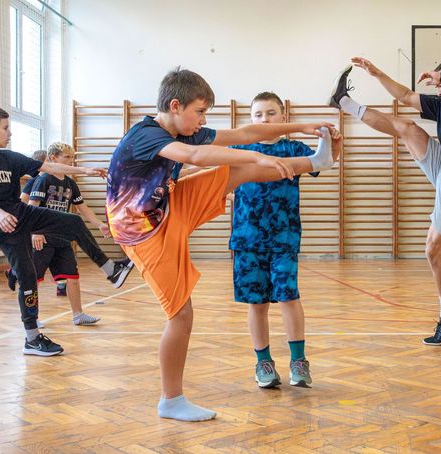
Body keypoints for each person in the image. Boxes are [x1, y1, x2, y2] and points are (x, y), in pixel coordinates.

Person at [106, 67, 338, 421]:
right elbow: (196, 157)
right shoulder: (147, 135)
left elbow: (246, 132)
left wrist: (299, 127)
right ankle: (171, 400)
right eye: (199, 112)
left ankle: (315, 161)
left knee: (234, 172)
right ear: (175, 105)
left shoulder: (181, 128)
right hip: (143, 231)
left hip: (166, 205)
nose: (203, 121)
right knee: (181, 315)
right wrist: (256, 156)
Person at [329, 58, 441, 346]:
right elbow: (405, 96)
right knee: (405, 127)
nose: (438, 92)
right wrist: (377, 72)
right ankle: (342, 101)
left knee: (433, 250)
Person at [0, 107, 133, 356]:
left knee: (72, 223)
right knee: (28, 278)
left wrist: (85, 171)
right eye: (5, 128)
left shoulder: (10, 157)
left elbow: (50, 167)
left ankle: (111, 270)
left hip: (23, 215)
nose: (10, 132)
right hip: (3, 228)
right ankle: (32, 338)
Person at [229, 91, 342, 389]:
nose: (264, 119)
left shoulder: (293, 147)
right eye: (258, 115)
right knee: (257, 304)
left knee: (289, 297)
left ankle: (298, 361)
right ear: (250, 119)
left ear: (283, 117)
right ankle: (263, 362)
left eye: (270, 113)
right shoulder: (239, 147)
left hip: (284, 237)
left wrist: (334, 143)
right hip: (246, 238)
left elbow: (323, 161)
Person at [27, 141, 111, 325]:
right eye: (66, 157)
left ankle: (78, 314)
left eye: (72, 158)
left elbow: (82, 208)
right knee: (34, 280)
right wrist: (35, 232)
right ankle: (31, 319)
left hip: (62, 238)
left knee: (72, 276)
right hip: (43, 238)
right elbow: (31, 209)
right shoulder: (43, 180)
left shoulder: (70, 184)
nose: (71, 161)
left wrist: (99, 224)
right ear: (53, 158)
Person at [14, 149, 68, 297]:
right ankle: (14, 273)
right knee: (35, 259)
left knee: (57, 256)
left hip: (50, 228)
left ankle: (61, 285)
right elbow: (24, 202)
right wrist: (33, 228)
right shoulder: (34, 181)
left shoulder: (53, 180)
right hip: (33, 225)